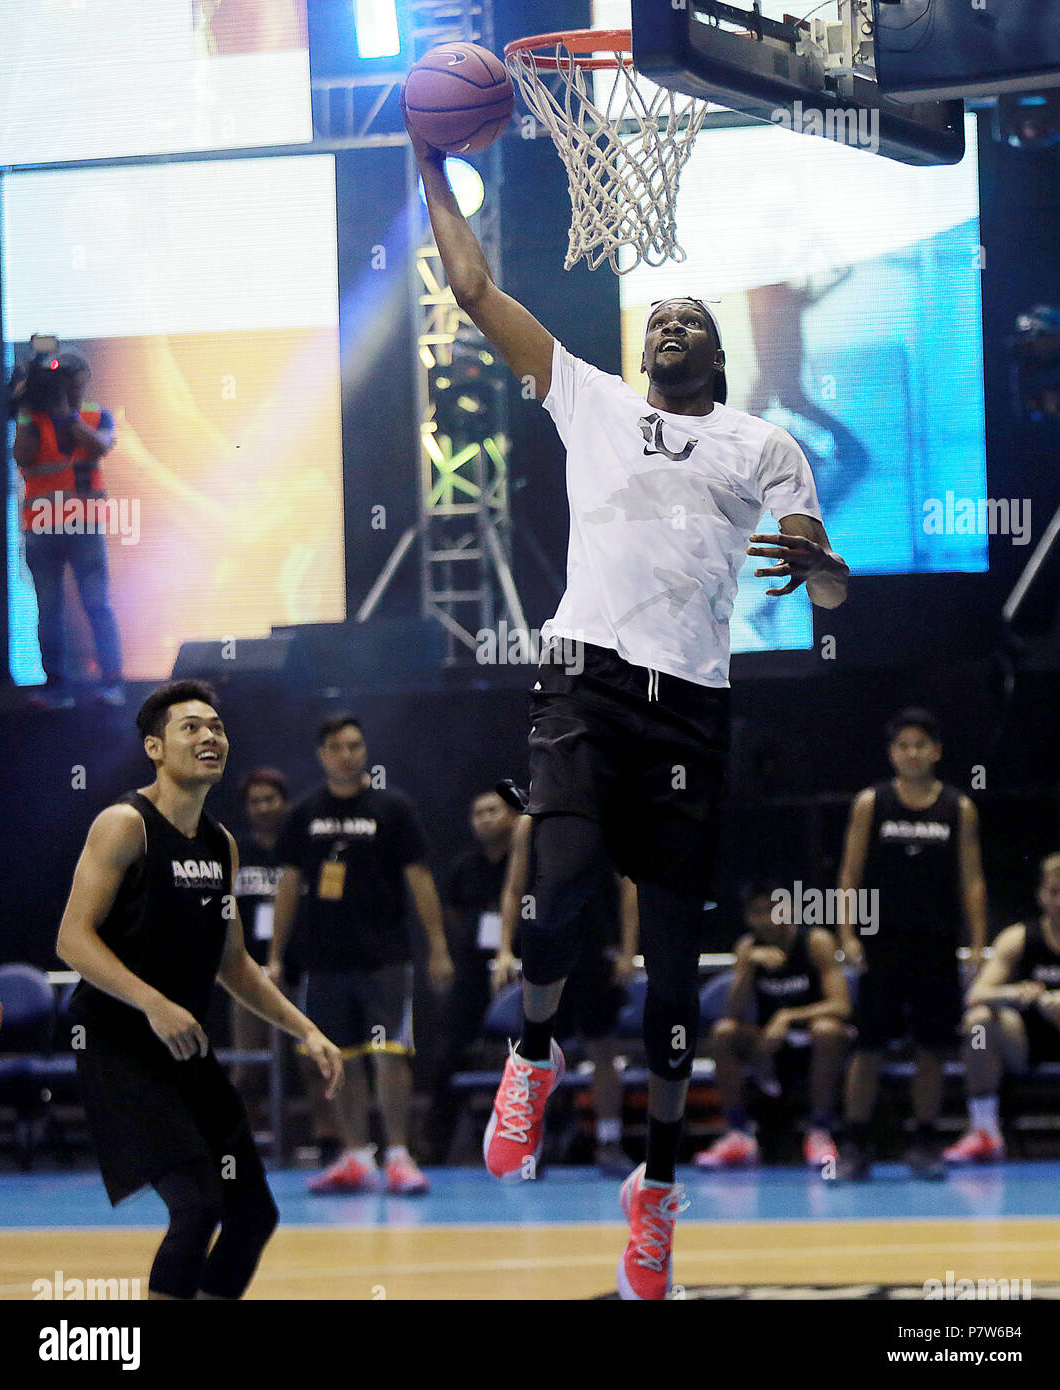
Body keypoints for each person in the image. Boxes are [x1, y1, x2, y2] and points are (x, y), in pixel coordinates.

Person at [406, 101, 849, 1298]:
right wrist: (426, 161)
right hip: (586, 682)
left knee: (668, 978)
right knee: (551, 916)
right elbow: (473, 287)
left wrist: (825, 575)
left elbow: (820, 575)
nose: (671, 323)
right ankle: (535, 1053)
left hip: (691, 709)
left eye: (690, 319)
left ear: (713, 355)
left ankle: (654, 1191)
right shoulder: (588, 396)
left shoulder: (762, 445)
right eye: (659, 313)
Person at [57, 680, 343, 1300]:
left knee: (252, 1213)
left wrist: (307, 1030)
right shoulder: (124, 825)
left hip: (182, 1050)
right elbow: (73, 941)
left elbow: (235, 965)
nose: (209, 736)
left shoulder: (221, 846)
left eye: (215, 727)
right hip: (118, 1047)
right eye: (191, 727)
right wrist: (155, 1003)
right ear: (155, 748)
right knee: (197, 1206)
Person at [268, 714, 454, 1195]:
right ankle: (355, 1156)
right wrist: (274, 955)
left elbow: (419, 878)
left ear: (364, 749)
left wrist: (437, 947)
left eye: (354, 745)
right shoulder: (305, 813)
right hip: (324, 961)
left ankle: (398, 1155)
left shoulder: (393, 808)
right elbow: (288, 883)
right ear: (322, 754)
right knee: (339, 1059)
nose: (346, 754)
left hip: (385, 957)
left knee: (390, 1054)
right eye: (336, 747)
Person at [836, 707, 987, 1181]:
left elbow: (972, 880)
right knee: (868, 1047)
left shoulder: (958, 808)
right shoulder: (871, 803)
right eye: (903, 745)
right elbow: (849, 873)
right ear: (892, 753)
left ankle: (924, 1141)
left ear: (936, 752)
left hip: (936, 944)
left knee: (932, 1048)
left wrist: (978, 942)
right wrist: (847, 933)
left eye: (921, 744)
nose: (913, 752)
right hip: (881, 945)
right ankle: (856, 1144)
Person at [494, 806, 640, 1176]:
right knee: (534, 1052)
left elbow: (628, 888)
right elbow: (514, 888)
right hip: (546, 947)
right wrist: (504, 949)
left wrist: (627, 950)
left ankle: (608, 1140)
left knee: (603, 1048)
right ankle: (529, 1144)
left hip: (594, 950)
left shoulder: (611, 820)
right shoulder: (531, 823)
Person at [693, 880, 851, 1169]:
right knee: (723, 1032)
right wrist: (747, 967)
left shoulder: (815, 942)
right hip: (767, 1044)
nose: (767, 918)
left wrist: (787, 1017)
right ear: (748, 917)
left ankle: (820, 1130)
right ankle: (739, 1134)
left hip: (810, 1038)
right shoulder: (748, 947)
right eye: (758, 912)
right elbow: (734, 1012)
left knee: (827, 1030)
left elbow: (841, 1006)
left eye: (774, 909)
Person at [12, 350, 125, 710]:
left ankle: (111, 684)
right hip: (42, 529)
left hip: (84, 527)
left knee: (97, 604)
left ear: (82, 380)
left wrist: (67, 414)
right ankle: (55, 688)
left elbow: (101, 445)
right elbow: (23, 456)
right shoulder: (31, 419)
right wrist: (29, 411)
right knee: (49, 608)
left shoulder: (95, 416)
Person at [945, 851, 1060, 1163]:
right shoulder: (1017, 938)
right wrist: (1014, 993)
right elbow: (976, 994)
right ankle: (984, 1128)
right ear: (1041, 895)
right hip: (1027, 1043)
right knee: (978, 1025)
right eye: (1054, 892)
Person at [425, 788, 520, 1163]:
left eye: (492, 810)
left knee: (533, 1053)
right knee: (448, 1051)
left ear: (514, 816)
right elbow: (453, 914)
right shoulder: (465, 866)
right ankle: (434, 1145)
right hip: (473, 972)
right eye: (477, 813)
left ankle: (541, 1140)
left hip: (520, 971)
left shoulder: (528, 862)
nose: (483, 818)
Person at [229, 768, 290, 1124]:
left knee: (311, 1060)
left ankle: (329, 1143)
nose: (264, 807)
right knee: (247, 1064)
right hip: (246, 974)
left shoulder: (299, 850)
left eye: (270, 799)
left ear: (285, 802)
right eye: (256, 802)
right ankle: (246, 1139)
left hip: (296, 970)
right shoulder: (235, 852)